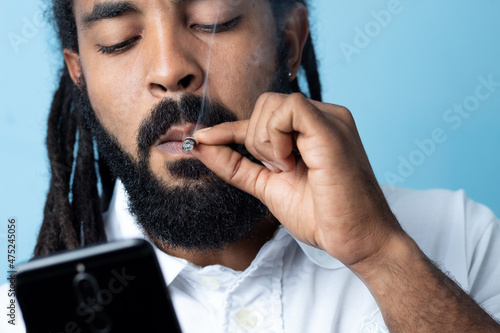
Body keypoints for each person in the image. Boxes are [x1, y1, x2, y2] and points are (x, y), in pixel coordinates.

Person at [2, 0, 500, 332]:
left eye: (212, 19)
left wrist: (382, 258)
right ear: (79, 74)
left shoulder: (461, 236)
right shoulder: (20, 318)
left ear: (289, 41)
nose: (170, 69)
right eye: (119, 38)